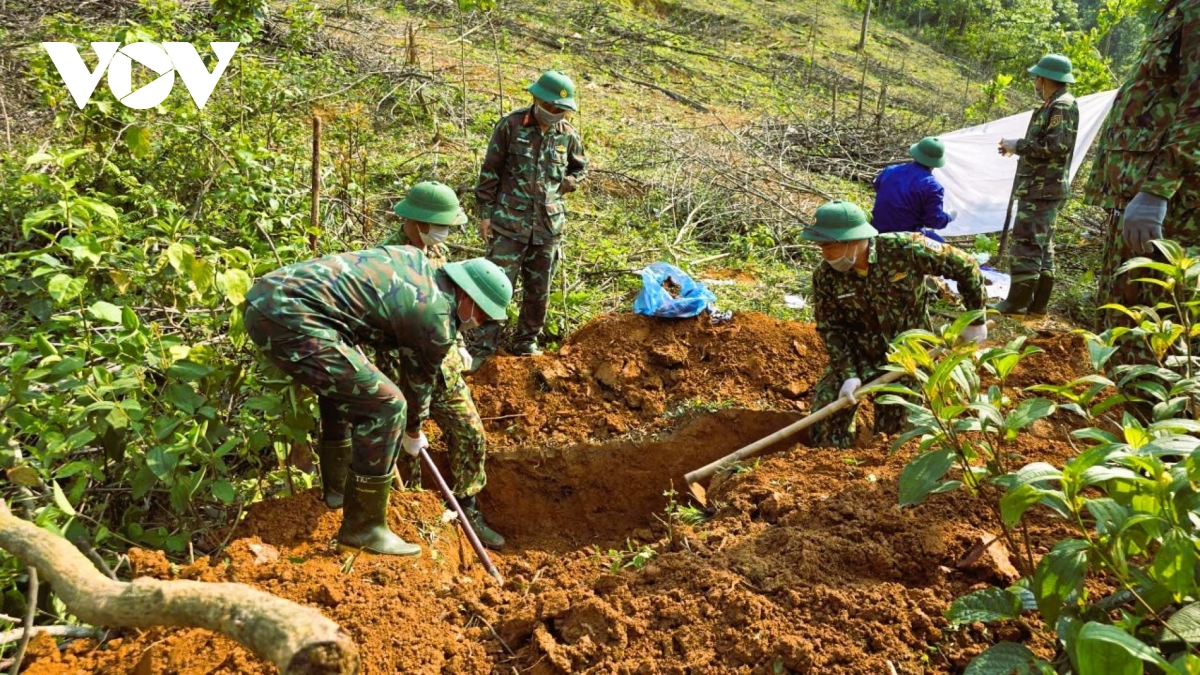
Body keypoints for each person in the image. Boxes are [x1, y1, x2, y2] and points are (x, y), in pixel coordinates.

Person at [243, 248, 512, 556]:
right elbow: (418, 385)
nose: (479, 322)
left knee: (346, 389)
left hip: (270, 298)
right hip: (287, 315)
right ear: (467, 296)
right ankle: (364, 529)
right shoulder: (435, 317)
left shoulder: (416, 263)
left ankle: (337, 491)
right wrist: (413, 431)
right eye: (482, 314)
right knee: (387, 406)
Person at [378, 181, 505, 549]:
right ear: (416, 221)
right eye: (440, 224)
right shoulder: (387, 259)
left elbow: (457, 300)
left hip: (444, 367)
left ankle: (468, 507)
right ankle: (414, 519)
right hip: (402, 371)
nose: (444, 232)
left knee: (470, 434)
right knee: (408, 451)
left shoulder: (439, 251)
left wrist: (461, 342)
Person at [803, 200, 987, 448]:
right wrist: (848, 374)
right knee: (825, 422)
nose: (824, 254)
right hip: (860, 354)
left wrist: (975, 320)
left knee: (895, 438)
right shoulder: (825, 276)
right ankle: (833, 465)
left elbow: (966, 266)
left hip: (908, 356)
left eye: (828, 246)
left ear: (853, 240)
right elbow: (831, 327)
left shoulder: (906, 249)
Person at [1084, 0, 1198, 388]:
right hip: (1142, 194)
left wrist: (1158, 188)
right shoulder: (1178, 8)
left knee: (1150, 337)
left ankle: (1160, 444)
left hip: (1176, 206)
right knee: (1124, 328)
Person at [471, 70, 588, 363]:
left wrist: (571, 182)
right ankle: (483, 347)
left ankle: (525, 343)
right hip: (509, 225)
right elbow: (490, 173)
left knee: (539, 292)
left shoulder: (568, 135)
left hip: (548, 228)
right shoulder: (511, 125)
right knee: (494, 287)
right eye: (550, 107)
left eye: (561, 109)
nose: (555, 113)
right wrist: (486, 215)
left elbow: (580, 168)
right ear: (536, 98)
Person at [991, 54, 1080, 318]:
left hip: (1042, 188)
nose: (1035, 81)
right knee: (1042, 244)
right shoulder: (1054, 104)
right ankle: (1036, 306)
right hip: (1042, 186)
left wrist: (1018, 145)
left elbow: (1055, 146)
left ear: (1045, 78)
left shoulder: (1061, 106)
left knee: (1028, 242)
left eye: (1037, 76)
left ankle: (1017, 303)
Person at [871, 136, 958, 240]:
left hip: (875, 229)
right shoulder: (933, 186)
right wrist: (948, 217)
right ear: (936, 162)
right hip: (904, 237)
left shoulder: (889, 170)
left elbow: (877, 186)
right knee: (941, 244)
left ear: (916, 153)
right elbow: (933, 221)